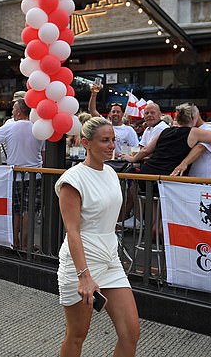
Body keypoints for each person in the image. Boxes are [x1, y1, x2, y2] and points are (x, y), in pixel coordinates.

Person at [55, 117, 140, 357]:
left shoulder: (111, 173)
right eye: (105, 140)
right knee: (77, 335)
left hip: (110, 260)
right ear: (86, 143)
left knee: (131, 333)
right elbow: (72, 231)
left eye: (113, 139)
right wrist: (84, 276)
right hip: (81, 264)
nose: (112, 145)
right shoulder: (73, 179)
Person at [0, 99, 44, 248]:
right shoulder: (39, 127)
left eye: (13, 110)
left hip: (15, 174)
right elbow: (43, 151)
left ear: (18, 112)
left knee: (16, 210)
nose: (11, 113)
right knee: (28, 211)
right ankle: (25, 244)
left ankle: (14, 241)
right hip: (35, 174)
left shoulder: (10, 126)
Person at [89, 91, 138, 156]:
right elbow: (92, 111)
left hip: (122, 163)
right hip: (106, 161)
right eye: (113, 112)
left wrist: (126, 155)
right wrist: (94, 94)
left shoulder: (129, 130)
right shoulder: (105, 125)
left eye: (118, 112)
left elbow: (135, 148)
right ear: (109, 114)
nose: (115, 114)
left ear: (122, 114)